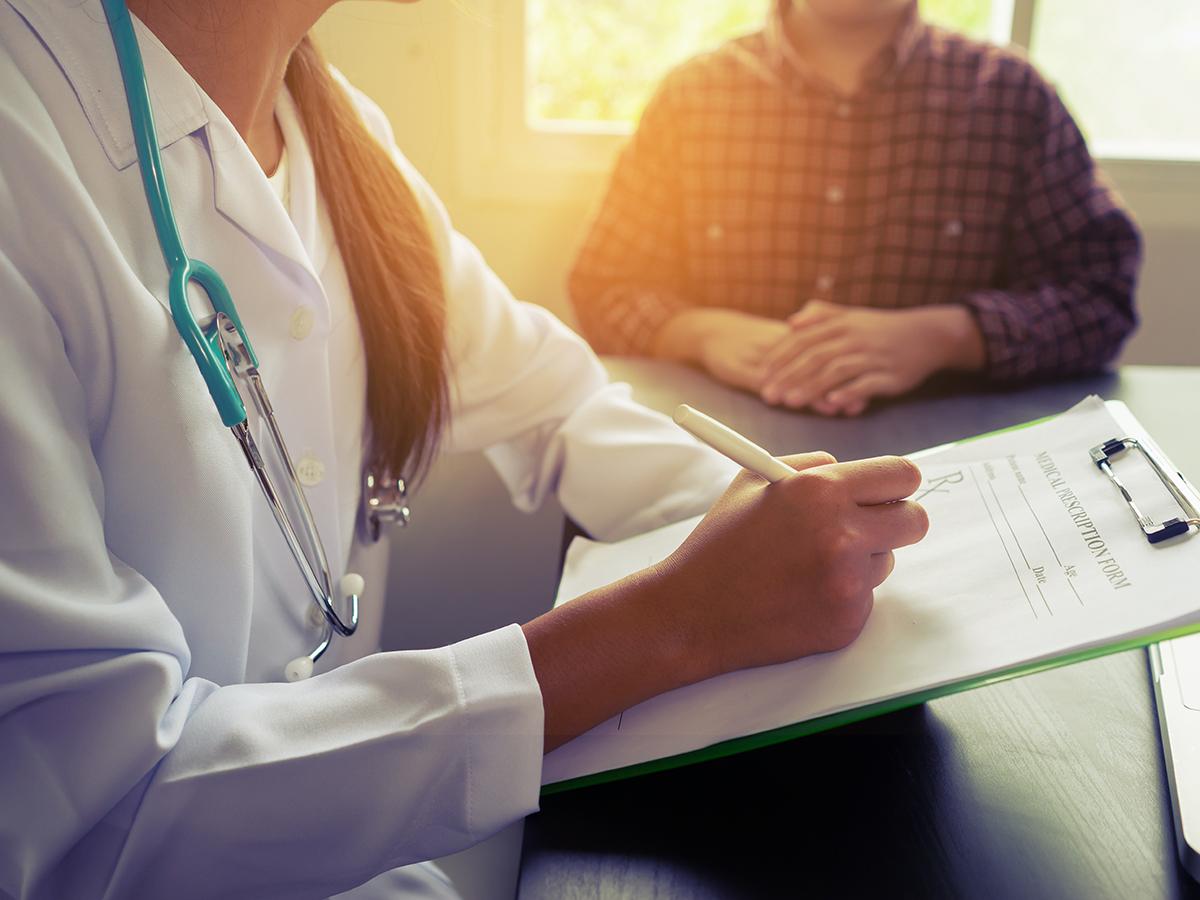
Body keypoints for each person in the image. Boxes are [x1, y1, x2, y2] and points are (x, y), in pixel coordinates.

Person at [0, 1, 929, 897]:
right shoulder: (23, 160)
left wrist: (808, 535)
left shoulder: (327, 128)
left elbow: (557, 405)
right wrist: (671, 626)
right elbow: (94, 821)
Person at [569, 0, 1143, 417]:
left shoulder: (1012, 97)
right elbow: (604, 288)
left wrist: (948, 335)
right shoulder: (692, 98)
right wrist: (700, 333)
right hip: (720, 461)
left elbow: (1100, 300)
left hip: (953, 462)